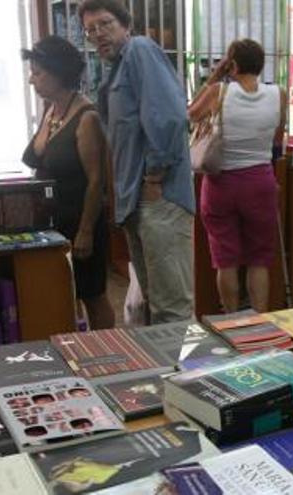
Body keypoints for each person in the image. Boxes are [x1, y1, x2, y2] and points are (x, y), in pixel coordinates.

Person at [78, 0, 195, 324]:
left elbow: (170, 118)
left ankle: (183, 374)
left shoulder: (140, 50)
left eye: (105, 24)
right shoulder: (117, 68)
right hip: (137, 201)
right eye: (90, 30)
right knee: (154, 304)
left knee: (171, 307)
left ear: (126, 25)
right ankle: (164, 373)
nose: (98, 34)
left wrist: (155, 178)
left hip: (159, 197)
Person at [22, 35, 115, 330]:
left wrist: (85, 231)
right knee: (63, 293)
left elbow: (96, 180)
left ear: (59, 72)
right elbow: (37, 157)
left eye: (38, 73)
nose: (31, 80)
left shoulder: (86, 117)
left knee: (93, 295)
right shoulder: (51, 111)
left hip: (81, 222)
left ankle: (108, 355)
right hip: (53, 222)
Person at [187, 39, 286, 313]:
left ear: (233, 64)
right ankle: (259, 320)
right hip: (261, 182)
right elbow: (277, 139)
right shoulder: (279, 94)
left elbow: (191, 113)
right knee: (259, 259)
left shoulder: (219, 92)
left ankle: (232, 321)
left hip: (222, 184)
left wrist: (216, 75)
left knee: (226, 259)